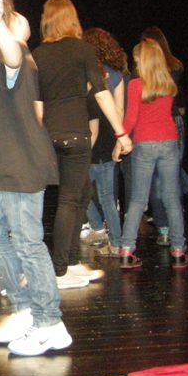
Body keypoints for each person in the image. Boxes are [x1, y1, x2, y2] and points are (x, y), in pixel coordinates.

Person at [0, 0, 71, 356]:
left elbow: (13, 56)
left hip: (21, 164)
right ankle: (25, 308)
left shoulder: (6, 54)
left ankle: (50, 324)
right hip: (4, 165)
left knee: (27, 243)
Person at [32, 0, 131, 289]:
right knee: (69, 199)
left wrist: (38, 138)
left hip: (50, 134)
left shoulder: (38, 55)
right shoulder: (82, 50)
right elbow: (101, 93)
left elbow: (37, 104)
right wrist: (121, 132)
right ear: (71, 19)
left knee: (82, 193)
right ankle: (61, 269)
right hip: (76, 133)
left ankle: (72, 262)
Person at [115, 39, 188, 270]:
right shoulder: (168, 83)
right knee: (171, 197)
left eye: (138, 59)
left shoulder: (136, 85)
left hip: (144, 143)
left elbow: (131, 118)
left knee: (138, 198)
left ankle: (127, 250)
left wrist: (120, 139)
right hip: (168, 142)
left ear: (143, 60)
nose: (136, 63)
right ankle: (178, 250)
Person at [141, 26, 188, 245]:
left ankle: (167, 228)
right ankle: (173, 230)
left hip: (163, 123)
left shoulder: (153, 69)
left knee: (160, 178)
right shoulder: (174, 67)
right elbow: (179, 98)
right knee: (168, 176)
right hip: (174, 121)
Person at [82, 28, 128, 257]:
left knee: (79, 190)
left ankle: (98, 227)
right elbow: (119, 110)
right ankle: (116, 242)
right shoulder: (117, 75)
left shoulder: (86, 73)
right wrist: (120, 140)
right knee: (108, 197)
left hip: (89, 137)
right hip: (111, 136)